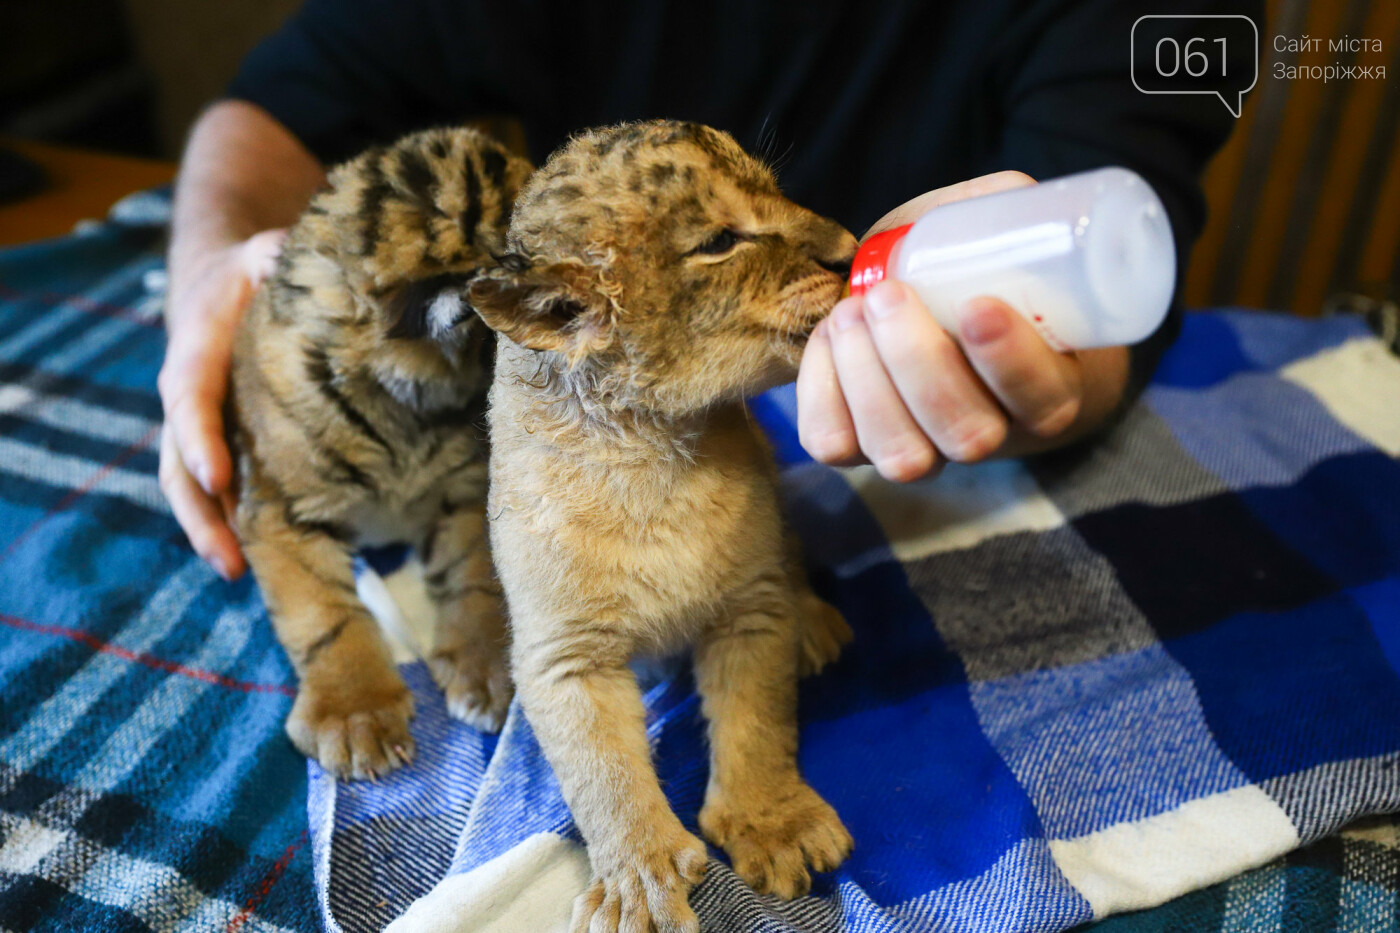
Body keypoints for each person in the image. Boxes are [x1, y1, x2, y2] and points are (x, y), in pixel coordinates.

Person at [158, 0, 1258, 580]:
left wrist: (1053, 379)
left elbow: (1105, 290)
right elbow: (272, 111)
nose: (823, 240)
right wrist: (210, 269)